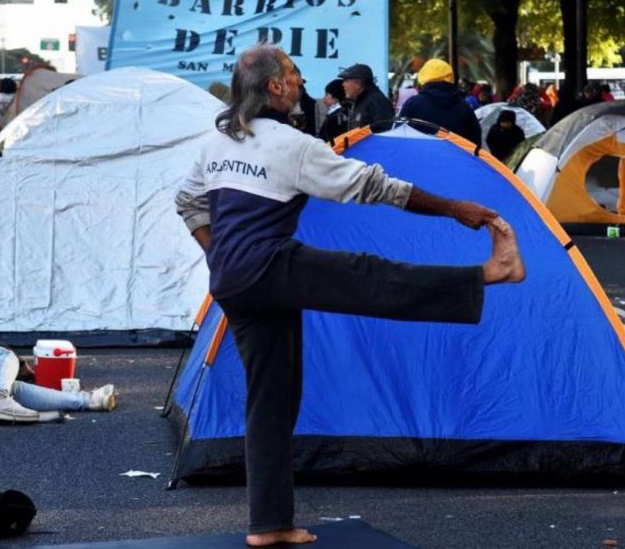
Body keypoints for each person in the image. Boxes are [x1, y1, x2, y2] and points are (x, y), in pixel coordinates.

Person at [175, 44, 525, 547]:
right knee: (371, 277)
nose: (300, 81)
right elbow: (375, 186)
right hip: (268, 266)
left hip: (232, 280)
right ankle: (490, 272)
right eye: (293, 73)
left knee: (271, 400)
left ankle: (268, 525)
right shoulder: (290, 145)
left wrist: (220, 256)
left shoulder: (219, 141)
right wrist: (454, 208)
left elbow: (187, 202)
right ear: (275, 86)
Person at [398, 59, 481, 144]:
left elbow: (399, 135)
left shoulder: (412, 104)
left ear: (423, 78)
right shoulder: (464, 106)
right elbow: (475, 141)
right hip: (454, 152)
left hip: (419, 151)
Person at [338, 63, 394, 131]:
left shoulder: (376, 101)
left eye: (346, 81)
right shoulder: (362, 101)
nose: (343, 84)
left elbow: (384, 131)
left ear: (358, 84)